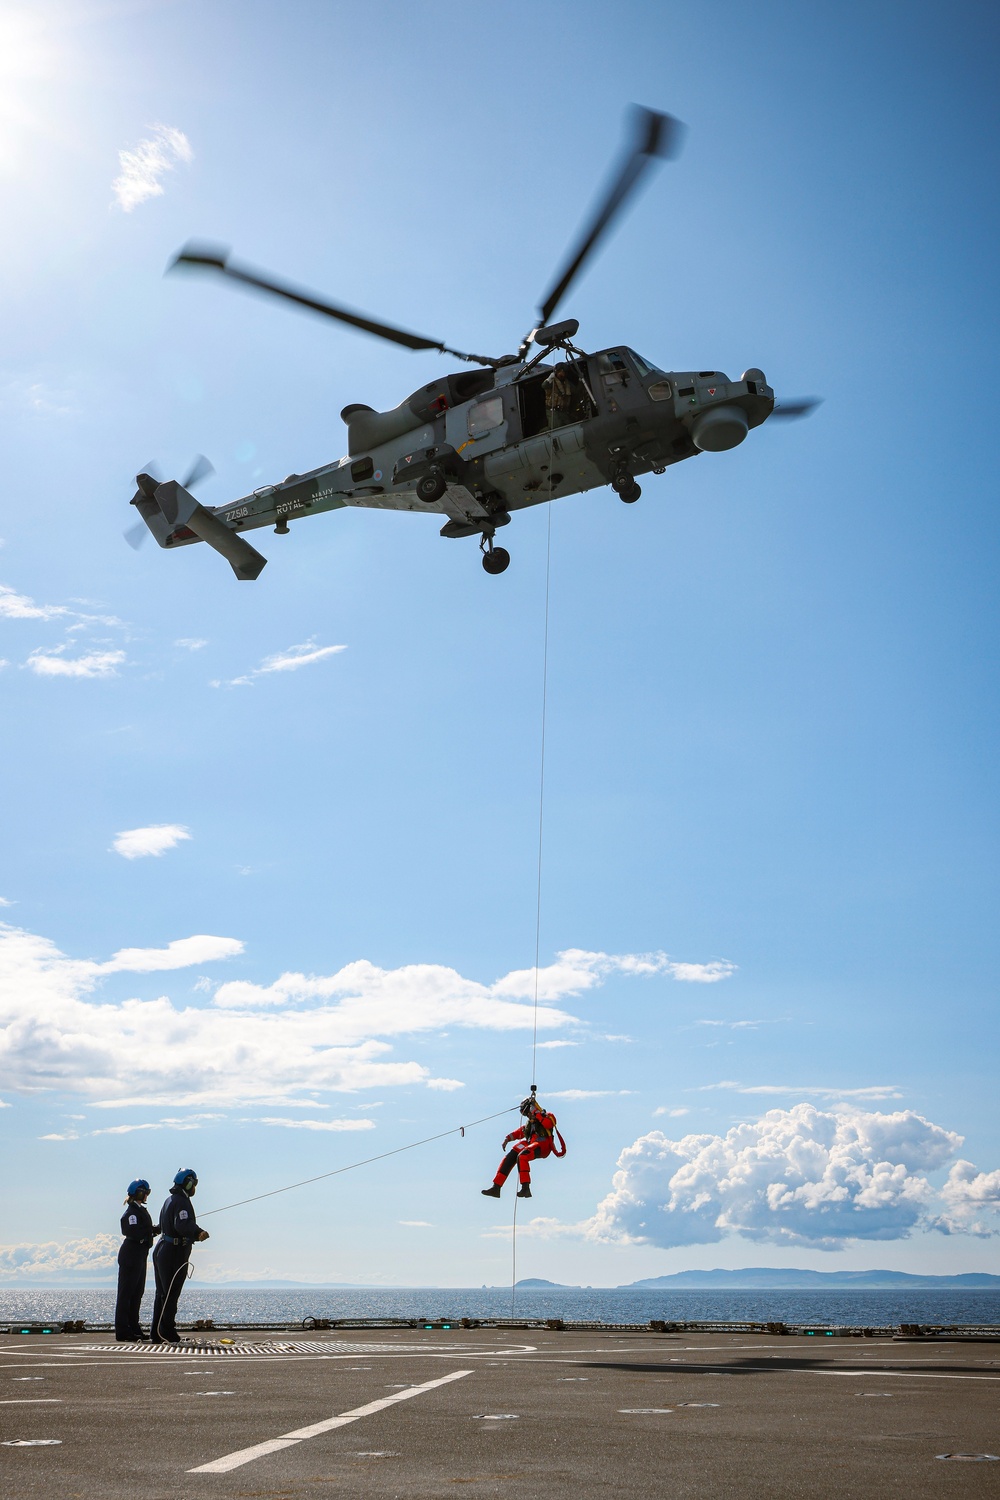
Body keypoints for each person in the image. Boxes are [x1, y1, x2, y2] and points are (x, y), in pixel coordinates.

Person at [151, 1168, 209, 1343]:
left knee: (162, 1294)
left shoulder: (169, 1200)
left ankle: (157, 1332)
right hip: (173, 1253)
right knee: (171, 1293)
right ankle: (167, 1331)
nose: (195, 1188)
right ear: (188, 1183)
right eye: (195, 1184)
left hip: (163, 1249)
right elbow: (182, 1224)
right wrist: (198, 1232)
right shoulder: (182, 1202)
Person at [481, 1095, 565, 1200]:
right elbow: (522, 1131)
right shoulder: (530, 1123)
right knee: (510, 1156)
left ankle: (526, 1188)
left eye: (527, 1113)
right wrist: (508, 1138)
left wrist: (537, 1114)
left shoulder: (547, 1116)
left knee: (522, 1156)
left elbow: (549, 1124)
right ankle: (496, 1187)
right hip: (531, 1143)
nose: (527, 1116)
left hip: (543, 1145)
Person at [114, 1179, 158, 1341]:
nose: (147, 1195)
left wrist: (153, 1230)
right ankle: (123, 1330)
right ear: (139, 1192)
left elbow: (141, 1229)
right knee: (126, 1293)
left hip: (139, 1253)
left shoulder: (139, 1210)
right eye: (145, 1192)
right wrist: (149, 1232)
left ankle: (133, 1326)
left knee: (137, 1292)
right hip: (131, 1253)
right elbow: (131, 1231)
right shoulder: (131, 1212)